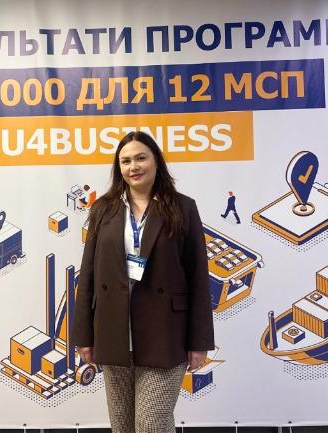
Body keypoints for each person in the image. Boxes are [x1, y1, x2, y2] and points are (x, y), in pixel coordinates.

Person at [71, 131, 214, 433]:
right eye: (125, 161)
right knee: (123, 426)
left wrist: (199, 342)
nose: (133, 166)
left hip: (166, 334)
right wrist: (84, 335)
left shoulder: (183, 208)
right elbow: (89, 275)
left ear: (156, 161)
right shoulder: (103, 209)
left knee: (151, 423)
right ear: (118, 167)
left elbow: (199, 279)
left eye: (140, 158)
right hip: (114, 333)